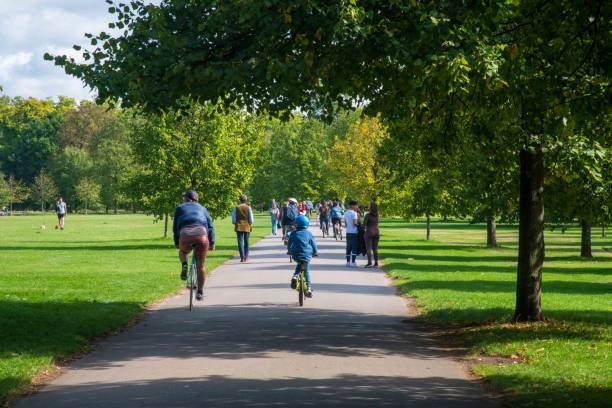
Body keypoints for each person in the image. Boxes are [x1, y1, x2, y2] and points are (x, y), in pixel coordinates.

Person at [173, 190, 215, 301]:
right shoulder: (203, 208)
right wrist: (212, 243)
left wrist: (177, 242)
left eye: (184, 197)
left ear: (187, 198)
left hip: (185, 234)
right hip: (201, 235)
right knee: (200, 266)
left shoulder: (180, 208)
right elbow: (210, 226)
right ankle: (200, 292)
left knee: (183, 252)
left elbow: (175, 227)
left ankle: (184, 265)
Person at [289, 215, 318, 297]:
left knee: (299, 263)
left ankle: (295, 276)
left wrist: (289, 251)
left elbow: (289, 243)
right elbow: (314, 245)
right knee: (306, 270)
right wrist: (315, 252)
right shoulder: (309, 234)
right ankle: (308, 288)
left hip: (296, 254)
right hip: (306, 255)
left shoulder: (293, 233)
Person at [232, 194, 254, 262]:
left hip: (239, 226)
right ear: (246, 200)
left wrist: (235, 223)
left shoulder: (236, 208)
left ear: (240, 200)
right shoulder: (248, 207)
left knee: (240, 242)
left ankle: (242, 257)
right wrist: (250, 223)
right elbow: (251, 219)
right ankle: (246, 257)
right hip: (247, 226)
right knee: (246, 242)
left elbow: (233, 219)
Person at [363, 202, 380, 268]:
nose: (368, 206)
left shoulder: (367, 215)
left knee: (369, 249)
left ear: (371, 207)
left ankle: (369, 263)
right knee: (375, 249)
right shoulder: (377, 215)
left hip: (369, 232)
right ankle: (376, 263)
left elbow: (364, 225)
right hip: (376, 232)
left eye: (369, 205)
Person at [344, 199, 360, 267]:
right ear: (354, 205)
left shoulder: (346, 212)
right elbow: (354, 223)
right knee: (354, 247)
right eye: (356, 205)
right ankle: (353, 262)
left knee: (348, 247)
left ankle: (347, 262)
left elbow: (345, 223)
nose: (357, 207)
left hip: (348, 232)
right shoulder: (354, 213)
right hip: (354, 232)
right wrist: (359, 226)